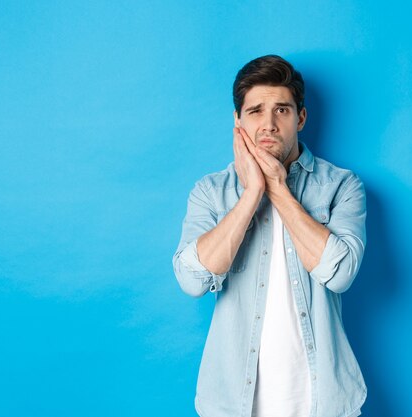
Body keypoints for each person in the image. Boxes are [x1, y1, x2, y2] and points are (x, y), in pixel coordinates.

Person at [173, 55, 367, 417]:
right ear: (237, 121)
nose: (269, 124)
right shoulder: (211, 191)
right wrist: (251, 195)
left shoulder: (341, 186)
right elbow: (192, 279)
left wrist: (277, 187)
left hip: (322, 402)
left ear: (301, 118)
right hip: (233, 403)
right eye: (256, 111)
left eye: (282, 110)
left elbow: (340, 275)